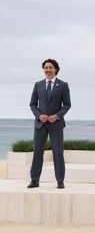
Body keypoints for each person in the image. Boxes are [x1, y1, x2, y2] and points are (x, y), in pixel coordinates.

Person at [28, 59, 71, 189]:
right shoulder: (38, 85)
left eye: (50, 67)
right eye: (46, 67)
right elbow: (33, 104)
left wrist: (57, 116)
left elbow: (67, 105)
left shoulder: (63, 85)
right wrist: (39, 115)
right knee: (37, 153)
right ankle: (34, 180)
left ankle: (60, 181)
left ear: (55, 69)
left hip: (56, 124)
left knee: (58, 153)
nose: (48, 70)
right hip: (40, 124)